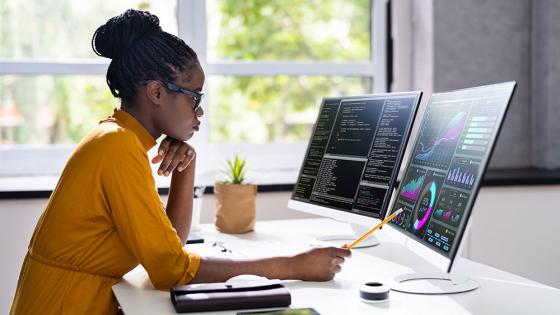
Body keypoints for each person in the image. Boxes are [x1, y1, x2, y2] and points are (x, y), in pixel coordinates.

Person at [10, 9, 351, 315]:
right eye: (195, 97)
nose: (199, 112)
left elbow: (170, 246)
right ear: (157, 93)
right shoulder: (117, 148)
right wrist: (294, 266)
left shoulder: (116, 138)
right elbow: (170, 270)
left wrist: (185, 170)